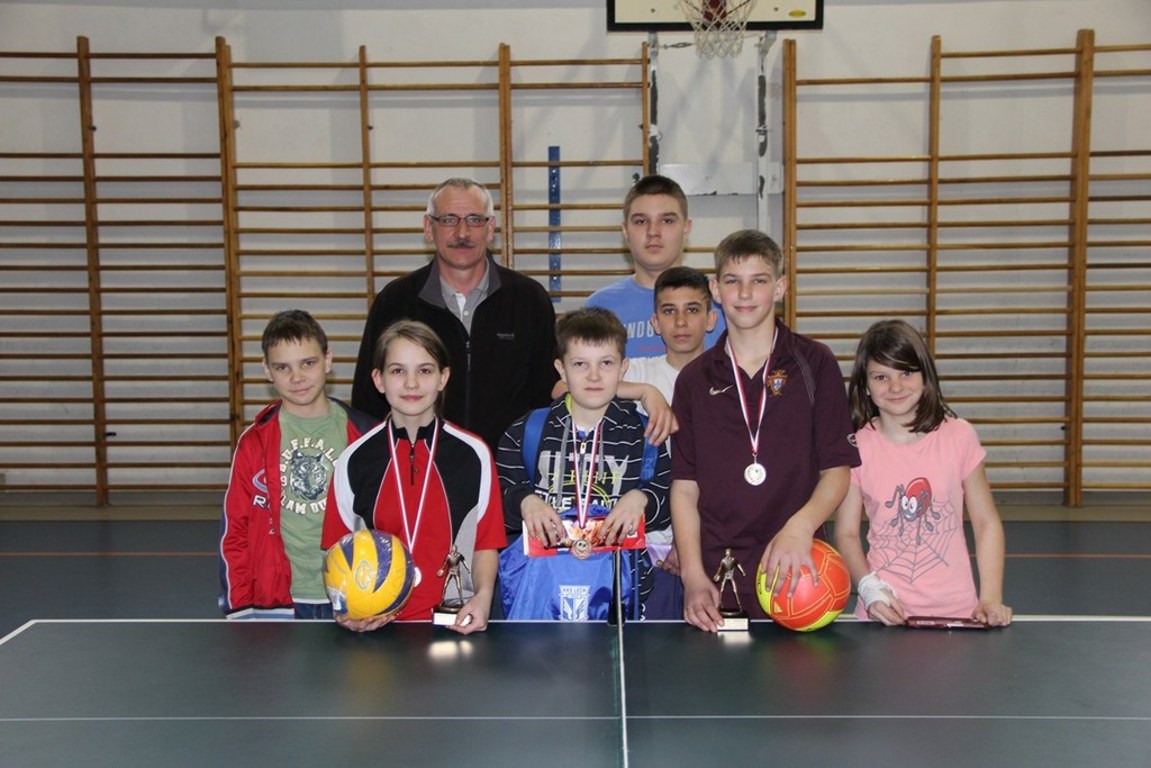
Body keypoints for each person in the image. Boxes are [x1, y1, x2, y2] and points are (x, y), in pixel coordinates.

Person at [670, 229, 861, 632]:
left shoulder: (816, 363)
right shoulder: (693, 380)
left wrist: (800, 527)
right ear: (715, 289)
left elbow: (837, 471)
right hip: (719, 577)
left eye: (758, 280)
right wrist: (692, 575)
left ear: (780, 287)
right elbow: (685, 487)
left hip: (799, 569)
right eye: (732, 281)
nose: (745, 293)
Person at [323, 320, 506, 634]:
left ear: (443, 378)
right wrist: (347, 610)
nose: (411, 383)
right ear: (378, 380)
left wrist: (484, 597)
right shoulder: (354, 460)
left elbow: (486, 542)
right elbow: (335, 548)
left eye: (424, 370)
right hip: (378, 623)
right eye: (397, 371)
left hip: (454, 621)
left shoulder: (473, 454)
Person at [350, 177, 559, 452]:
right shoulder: (395, 302)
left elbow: (547, 396)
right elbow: (367, 401)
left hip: (509, 469)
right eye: (449, 220)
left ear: (490, 228)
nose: (462, 232)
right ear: (429, 228)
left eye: (474, 220)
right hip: (419, 467)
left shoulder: (529, 300)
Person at [496, 307, 672, 621]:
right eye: (580, 364)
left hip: (619, 593)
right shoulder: (527, 432)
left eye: (606, 363)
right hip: (540, 593)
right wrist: (525, 501)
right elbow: (499, 494)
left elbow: (669, 501)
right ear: (561, 370)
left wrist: (642, 499)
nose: (594, 376)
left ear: (623, 368)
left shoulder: (644, 436)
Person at [833, 319, 1013, 627]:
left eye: (906, 372)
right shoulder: (856, 446)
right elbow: (846, 533)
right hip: (884, 615)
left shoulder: (959, 437)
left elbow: (986, 522)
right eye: (881, 376)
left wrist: (990, 598)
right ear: (865, 385)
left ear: (925, 375)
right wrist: (869, 588)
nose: (896, 387)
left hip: (957, 612)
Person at [219, 309, 377, 620]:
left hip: (353, 595)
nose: (297, 377)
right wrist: (239, 608)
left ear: (328, 360)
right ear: (267, 370)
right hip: (277, 599)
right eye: (283, 367)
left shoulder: (365, 435)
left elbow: (389, 522)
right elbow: (235, 531)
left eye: (308, 363)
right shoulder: (255, 442)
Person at [622, 265, 717, 617]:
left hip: (710, 539)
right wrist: (644, 392)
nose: (680, 322)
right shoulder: (638, 371)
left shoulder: (730, 379)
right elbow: (565, 389)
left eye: (692, 309)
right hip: (647, 544)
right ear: (655, 322)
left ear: (711, 319)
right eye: (669, 311)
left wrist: (688, 542)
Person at [586, 173, 724, 360]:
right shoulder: (600, 307)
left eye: (666, 220)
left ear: (686, 228)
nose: (653, 232)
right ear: (625, 230)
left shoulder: (721, 304)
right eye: (641, 221)